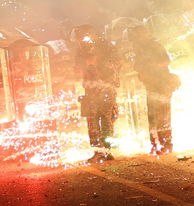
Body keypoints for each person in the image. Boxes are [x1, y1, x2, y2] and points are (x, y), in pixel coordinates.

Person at [130, 24, 179, 155]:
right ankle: (155, 144)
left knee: (162, 115)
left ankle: (167, 144)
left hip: (161, 84)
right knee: (152, 115)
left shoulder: (155, 46)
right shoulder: (140, 48)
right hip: (151, 85)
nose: (135, 39)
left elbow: (166, 61)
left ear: (143, 35)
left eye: (136, 36)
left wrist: (151, 66)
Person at [73, 24, 121, 155]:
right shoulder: (80, 50)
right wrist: (86, 63)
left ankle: (108, 150)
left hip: (107, 87)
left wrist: (99, 61)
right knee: (92, 121)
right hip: (91, 89)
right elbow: (77, 70)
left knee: (106, 119)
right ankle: (97, 152)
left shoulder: (106, 45)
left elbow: (117, 62)